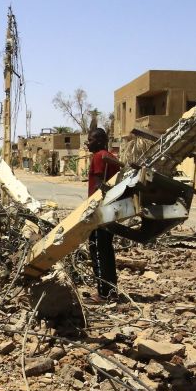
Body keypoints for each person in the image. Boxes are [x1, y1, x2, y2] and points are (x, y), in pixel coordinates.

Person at [86, 127, 123, 301]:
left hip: (100, 210)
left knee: (98, 250)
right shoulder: (110, 157)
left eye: (90, 140)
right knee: (107, 250)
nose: (88, 143)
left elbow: (99, 185)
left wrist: (91, 210)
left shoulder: (99, 156)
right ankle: (111, 291)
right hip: (110, 210)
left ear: (100, 141)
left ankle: (103, 293)